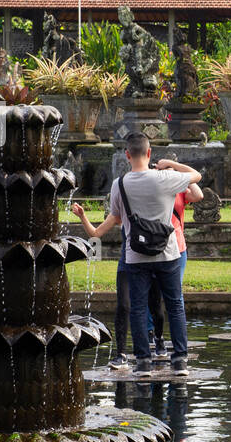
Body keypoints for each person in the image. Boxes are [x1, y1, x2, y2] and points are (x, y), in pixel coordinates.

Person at [72, 134, 201, 376]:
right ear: (150, 153)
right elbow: (196, 176)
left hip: (136, 255)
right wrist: (171, 165)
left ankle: (143, 361)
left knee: (139, 308)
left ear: (127, 155)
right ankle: (180, 360)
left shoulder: (119, 184)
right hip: (168, 252)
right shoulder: (165, 178)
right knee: (174, 305)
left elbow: (116, 218)